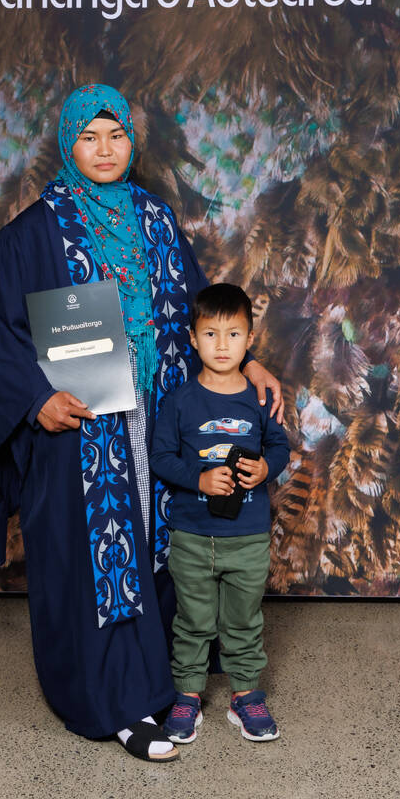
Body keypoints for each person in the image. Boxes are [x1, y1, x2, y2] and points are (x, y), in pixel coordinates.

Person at [0, 84, 284, 762]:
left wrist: (245, 362)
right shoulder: (30, 235)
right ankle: (112, 702)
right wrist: (35, 401)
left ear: (132, 144)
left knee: (158, 544)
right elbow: (0, 341)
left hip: (162, 415)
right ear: (66, 143)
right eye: (89, 136)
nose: (104, 150)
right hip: (80, 427)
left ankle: (165, 684)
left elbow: (199, 313)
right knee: (96, 560)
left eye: (116, 136)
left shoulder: (154, 217)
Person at [150, 283, 290, 745]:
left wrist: (267, 466)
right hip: (192, 536)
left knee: (243, 621)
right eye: (211, 334)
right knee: (192, 619)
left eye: (234, 334)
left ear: (250, 340)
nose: (223, 345)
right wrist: (199, 479)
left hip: (248, 537)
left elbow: (280, 446)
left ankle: (245, 695)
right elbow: (161, 457)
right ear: (193, 339)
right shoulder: (181, 401)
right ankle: (187, 695)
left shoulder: (259, 398)